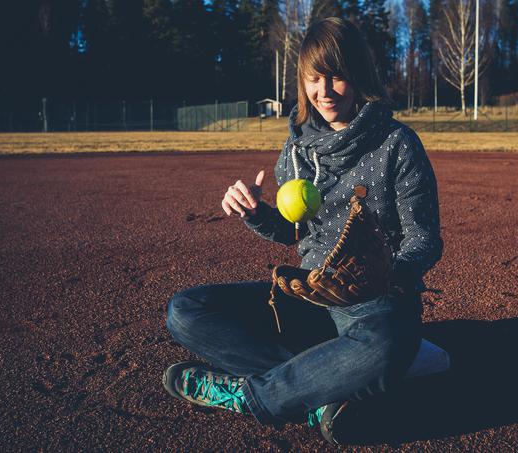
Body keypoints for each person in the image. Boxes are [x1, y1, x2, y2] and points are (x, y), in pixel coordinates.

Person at [163, 17, 443, 445]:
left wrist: (389, 276)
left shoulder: (397, 143)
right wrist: (256, 212)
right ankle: (324, 388)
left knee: (387, 341)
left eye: (336, 76)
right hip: (310, 295)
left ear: (359, 75)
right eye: (314, 78)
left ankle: (256, 396)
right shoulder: (297, 150)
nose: (324, 91)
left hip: (375, 307)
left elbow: (424, 237)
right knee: (187, 310)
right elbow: (292, 233)